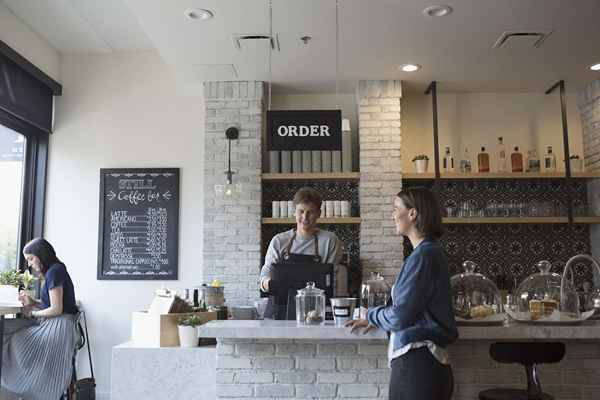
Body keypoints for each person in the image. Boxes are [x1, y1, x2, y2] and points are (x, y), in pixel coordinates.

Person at [346, 187, 458, 400]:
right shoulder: (427, 252)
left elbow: (400, 316)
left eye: (396, 208)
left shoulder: (423, 256)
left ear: (412, 214)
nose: (393, 215)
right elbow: (407, 308)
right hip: (425, 366)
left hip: (418, 367)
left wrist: (371, 315)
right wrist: (381, 319)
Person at [2, 238, 79, 400]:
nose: (29, 264)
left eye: (30, 258)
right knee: (6, 327)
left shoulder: (54, 272)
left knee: (13, 337)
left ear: (41, 255)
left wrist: (33, 313)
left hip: (57, 327)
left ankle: (16, 387)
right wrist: (33, 302)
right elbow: (53, 305)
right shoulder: (55, 270)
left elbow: (56, 309)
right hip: (56, 324)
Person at [260, 187, 347, 318]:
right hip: (279, 312)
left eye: (310, 212)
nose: (305, 217)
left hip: (315, 313)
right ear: (294, 212)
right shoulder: (279, 241)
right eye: (301, 211)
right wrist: (268, 283)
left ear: (319, 213)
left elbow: (331, 281)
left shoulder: (330, 241)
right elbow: (264, 276)